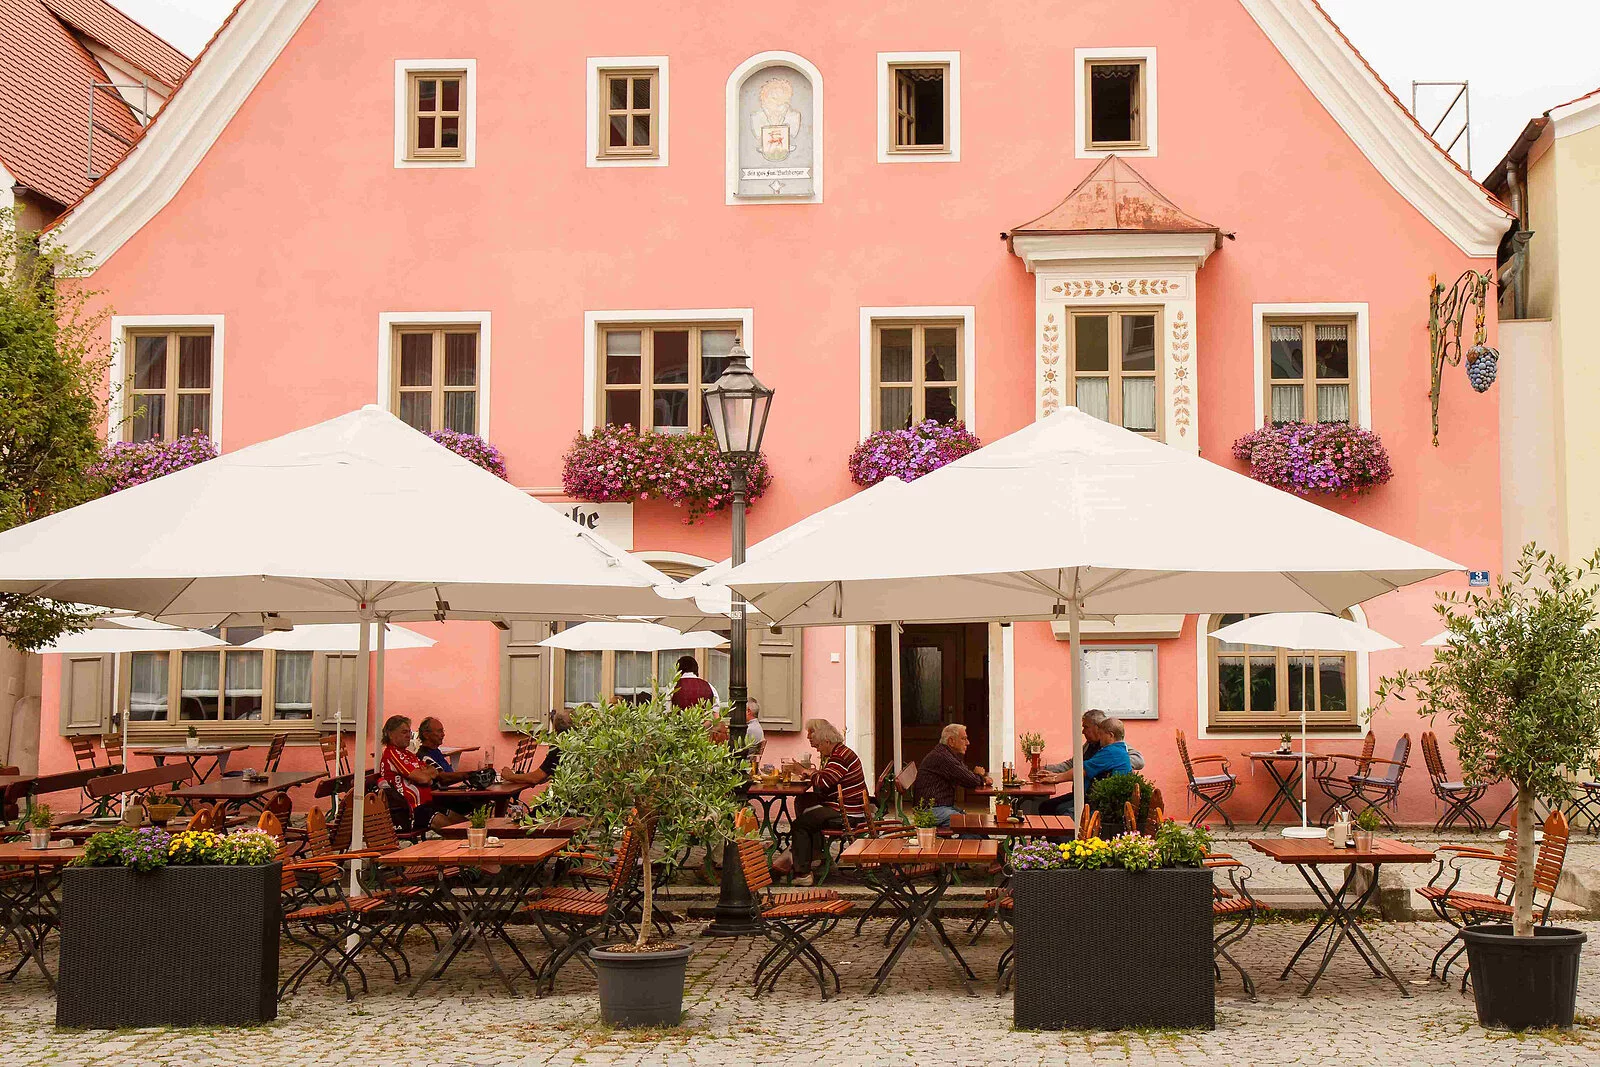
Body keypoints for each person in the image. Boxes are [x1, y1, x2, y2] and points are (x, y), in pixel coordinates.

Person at [771, 718, 866, 887]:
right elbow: (827, 779)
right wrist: (811, 772)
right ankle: (814, 853)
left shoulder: (840, 757)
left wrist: (804, 771)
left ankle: (803, 873)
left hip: (848, 811)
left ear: (827, 741)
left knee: (801, 824)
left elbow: (823, 783)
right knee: (804, 801)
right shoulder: (840, 752)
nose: (817, 749)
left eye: (818, 746)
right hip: (847, 805)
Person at [379, 714, 454, 833]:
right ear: (390, 734)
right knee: (456, 830)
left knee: (463, 823)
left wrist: (424, 775)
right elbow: (424, 779)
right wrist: (423, 775)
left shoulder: (408, 754)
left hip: (427, 804)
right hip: (412, 810)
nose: (409, 736)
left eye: (409, 732)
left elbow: (434, 771)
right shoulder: (392, 754)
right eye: (404, 732)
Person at [911, 723, 990, 828]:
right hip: (930, 810)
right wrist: (979, 776)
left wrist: (977, 777)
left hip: (939, 807)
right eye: (963, 739)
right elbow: (971, 781)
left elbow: (965, 773)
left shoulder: (946, 754)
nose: (968, 743)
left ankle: (981, 839)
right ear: (951, 741)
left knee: (972, 823)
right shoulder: (943, 757)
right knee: (968, 824)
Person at [502, 708, 572, 788]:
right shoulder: (579, 743)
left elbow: (536, 777)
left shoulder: (558, 748)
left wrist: (510, 776)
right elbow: (543, 775)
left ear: (556, 729)